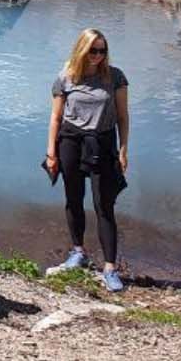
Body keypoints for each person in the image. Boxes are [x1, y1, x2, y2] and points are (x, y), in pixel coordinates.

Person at [44, 28, 129, 293]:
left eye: (102, 51)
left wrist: (123, 149)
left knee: (104, 204)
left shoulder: (115, 77)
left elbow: (123, 117)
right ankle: (78, 252)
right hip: (70, 141)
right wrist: (51, 153)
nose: (98, 56)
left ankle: (110, 268)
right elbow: (56, 118)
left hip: (102, 143)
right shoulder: (66, 77)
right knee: (73, 198)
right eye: (93, 50)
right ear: (82, 49)